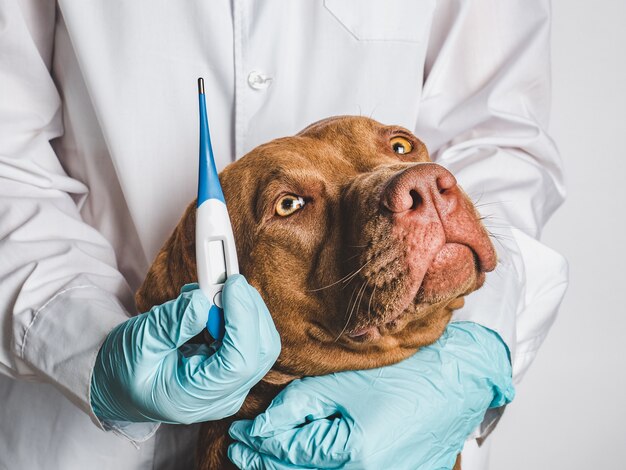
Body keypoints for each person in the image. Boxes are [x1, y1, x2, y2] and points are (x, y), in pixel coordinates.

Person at [0, 1, 568, 469]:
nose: (420, 184)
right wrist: (93, 352)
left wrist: (478, 348)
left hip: (409, 427)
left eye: (399, 148)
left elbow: (498, 132)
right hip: (83, 435)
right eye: (290, 204)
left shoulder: (422, 193)